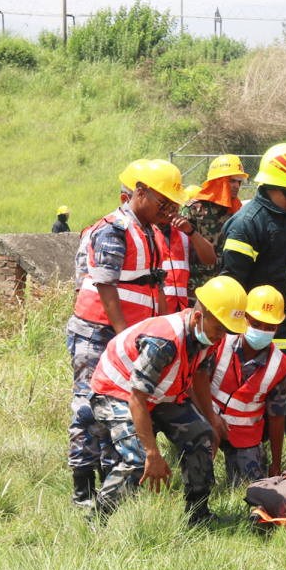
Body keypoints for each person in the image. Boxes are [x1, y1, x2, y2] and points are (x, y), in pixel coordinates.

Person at [65, 159, 180, 509]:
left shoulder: (151, 231)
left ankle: (111, 482)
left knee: (120, 407)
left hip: (132, 336)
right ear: (140, 193)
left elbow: (154, 284)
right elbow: (105, 285)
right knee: (89, 407)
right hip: (99, 333)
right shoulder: (113, 229)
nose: (169, 210)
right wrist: (120, 338)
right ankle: (83, 490)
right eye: (164, 203)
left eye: (173, 205)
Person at [90, 276, 246, 524]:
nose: (223, 336)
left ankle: (199, 517)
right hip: (116, 392)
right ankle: (97, 521)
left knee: (201, 435)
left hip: (160, 393)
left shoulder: (208, 336)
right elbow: (137, 398)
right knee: (138, 460)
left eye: (227, 330)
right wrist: (152, 452)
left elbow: (200, 375)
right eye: (220, 328)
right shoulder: (163, 342)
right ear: (198, 318)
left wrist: (210, 417)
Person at [221, 143, 286, 464]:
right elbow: (231, 289)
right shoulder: (246, 224)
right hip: (263, 349)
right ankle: (259, 486)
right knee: (256, 428)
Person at [210, 285, 286, 486]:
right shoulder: (219, 342)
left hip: (244, 435)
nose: (262, 331)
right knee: (199, 477)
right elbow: (194, 383)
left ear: (278, 327)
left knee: (249, 487)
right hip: (206, 421)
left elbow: (277, 415)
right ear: (244, 318)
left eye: (270, 327)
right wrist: (209, 419)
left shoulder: (281, 365)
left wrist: (276, 462)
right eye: (256, 324)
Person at [180, 154, 247, 297]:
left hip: (225, 290)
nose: (237, 186)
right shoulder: (194, 210)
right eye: (232, 181)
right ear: (218, 181)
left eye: (240, 182)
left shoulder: (238, 212)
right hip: (195, 289)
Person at [159, 182, 217, 314]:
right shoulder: (144, 231)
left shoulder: (183, 233)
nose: (172, 207)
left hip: (179, 311)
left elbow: (210, 259)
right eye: (168, 202)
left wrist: (191, 232)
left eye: (176, 202)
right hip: (152, 310)